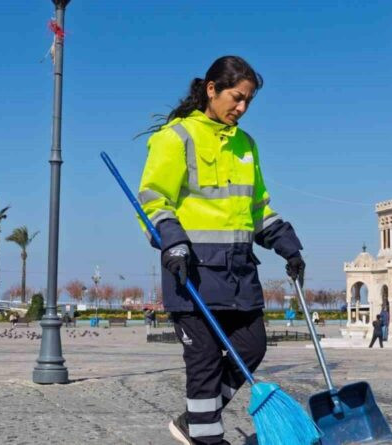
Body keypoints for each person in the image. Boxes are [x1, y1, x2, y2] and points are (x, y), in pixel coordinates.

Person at [138, 56, 305, 445]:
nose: (242, 108)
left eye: (248, 101)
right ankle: (206, 437)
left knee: (252, 346)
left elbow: (257, 207)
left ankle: (194, 421)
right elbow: (153, 199)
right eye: (236, 97)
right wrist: (174, 243)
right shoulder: (176, 137)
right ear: (211, 90)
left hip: (239, 273)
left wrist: (288, 245)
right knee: (204, 363)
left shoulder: (247, 145)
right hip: (192, 272)